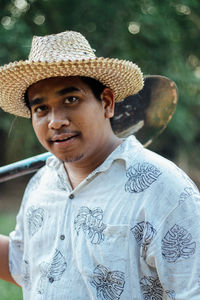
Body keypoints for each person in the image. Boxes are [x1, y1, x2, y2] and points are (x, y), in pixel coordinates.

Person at [0, 30, 200, 300]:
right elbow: (26, 267)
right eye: (41, 109)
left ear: (106, 102)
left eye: (71, 99)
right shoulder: (41, 184)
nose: (55, 121)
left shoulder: (165, 190)